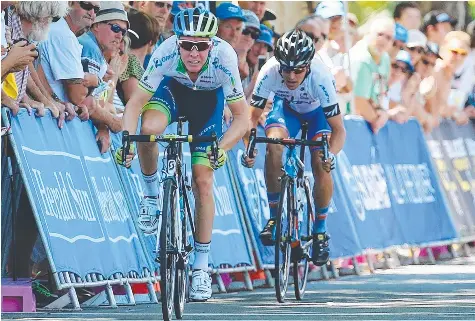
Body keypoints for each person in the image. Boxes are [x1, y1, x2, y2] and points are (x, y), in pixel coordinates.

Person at [116, 7, 248, 301]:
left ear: (211, 45)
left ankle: (200, 268)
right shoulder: (165, 52)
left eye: (200, 46)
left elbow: (242, 118)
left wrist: (222, 147)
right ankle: (151, 196)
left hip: (207, 107)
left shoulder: (225, 59)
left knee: (202, 180)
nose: (193, 53)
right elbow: (136, 103)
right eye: (186, 45)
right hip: (172, 93)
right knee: (149, 129)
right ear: (177, 43)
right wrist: (126, 139)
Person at [242, 29, 346, 267]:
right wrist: (249, 147)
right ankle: (274, 217)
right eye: (286, 69)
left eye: (298, 70)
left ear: (308, 66)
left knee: (321, 160)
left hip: (318, 113)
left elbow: (339, 130)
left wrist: (333, 155)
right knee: (274, 145)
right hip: (286, 109)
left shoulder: (321, 77)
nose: (290, 75)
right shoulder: (269, 71)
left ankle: (320, 229)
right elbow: (251, 118)